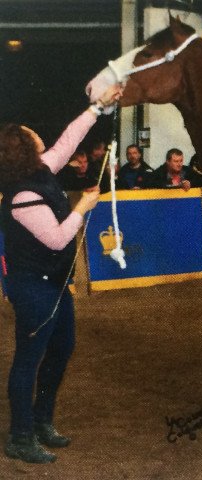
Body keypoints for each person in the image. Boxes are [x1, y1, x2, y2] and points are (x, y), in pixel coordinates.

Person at [0, 84, 122, 464]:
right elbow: (55, 240)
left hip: (52, 284)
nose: (40, 136)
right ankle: (20, 436)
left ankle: (40, 422)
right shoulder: (22, 194)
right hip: (32, 286)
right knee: (28, 358)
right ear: (25, 148)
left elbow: (70, 139)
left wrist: (98, 108)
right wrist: (82, 206)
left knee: (62, 347)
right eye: (32, 135)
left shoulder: (42, 170)